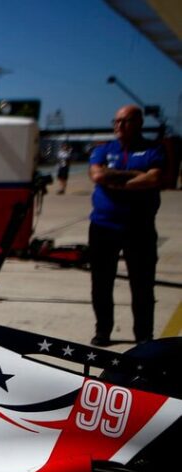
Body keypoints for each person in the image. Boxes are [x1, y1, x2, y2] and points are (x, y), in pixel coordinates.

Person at [87, 105, 164, 346]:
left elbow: (155, 178)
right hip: (103, 226)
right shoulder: (104, 150)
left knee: (142, 284)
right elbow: (98, 176)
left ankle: (144, 336)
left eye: (126, 121)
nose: (119, 126)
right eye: (116, 121)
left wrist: (116, 179)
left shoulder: (153, 150)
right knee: (101, 283)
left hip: (138, 228)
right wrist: (133, 177)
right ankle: (103, 331)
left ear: (138, 123)